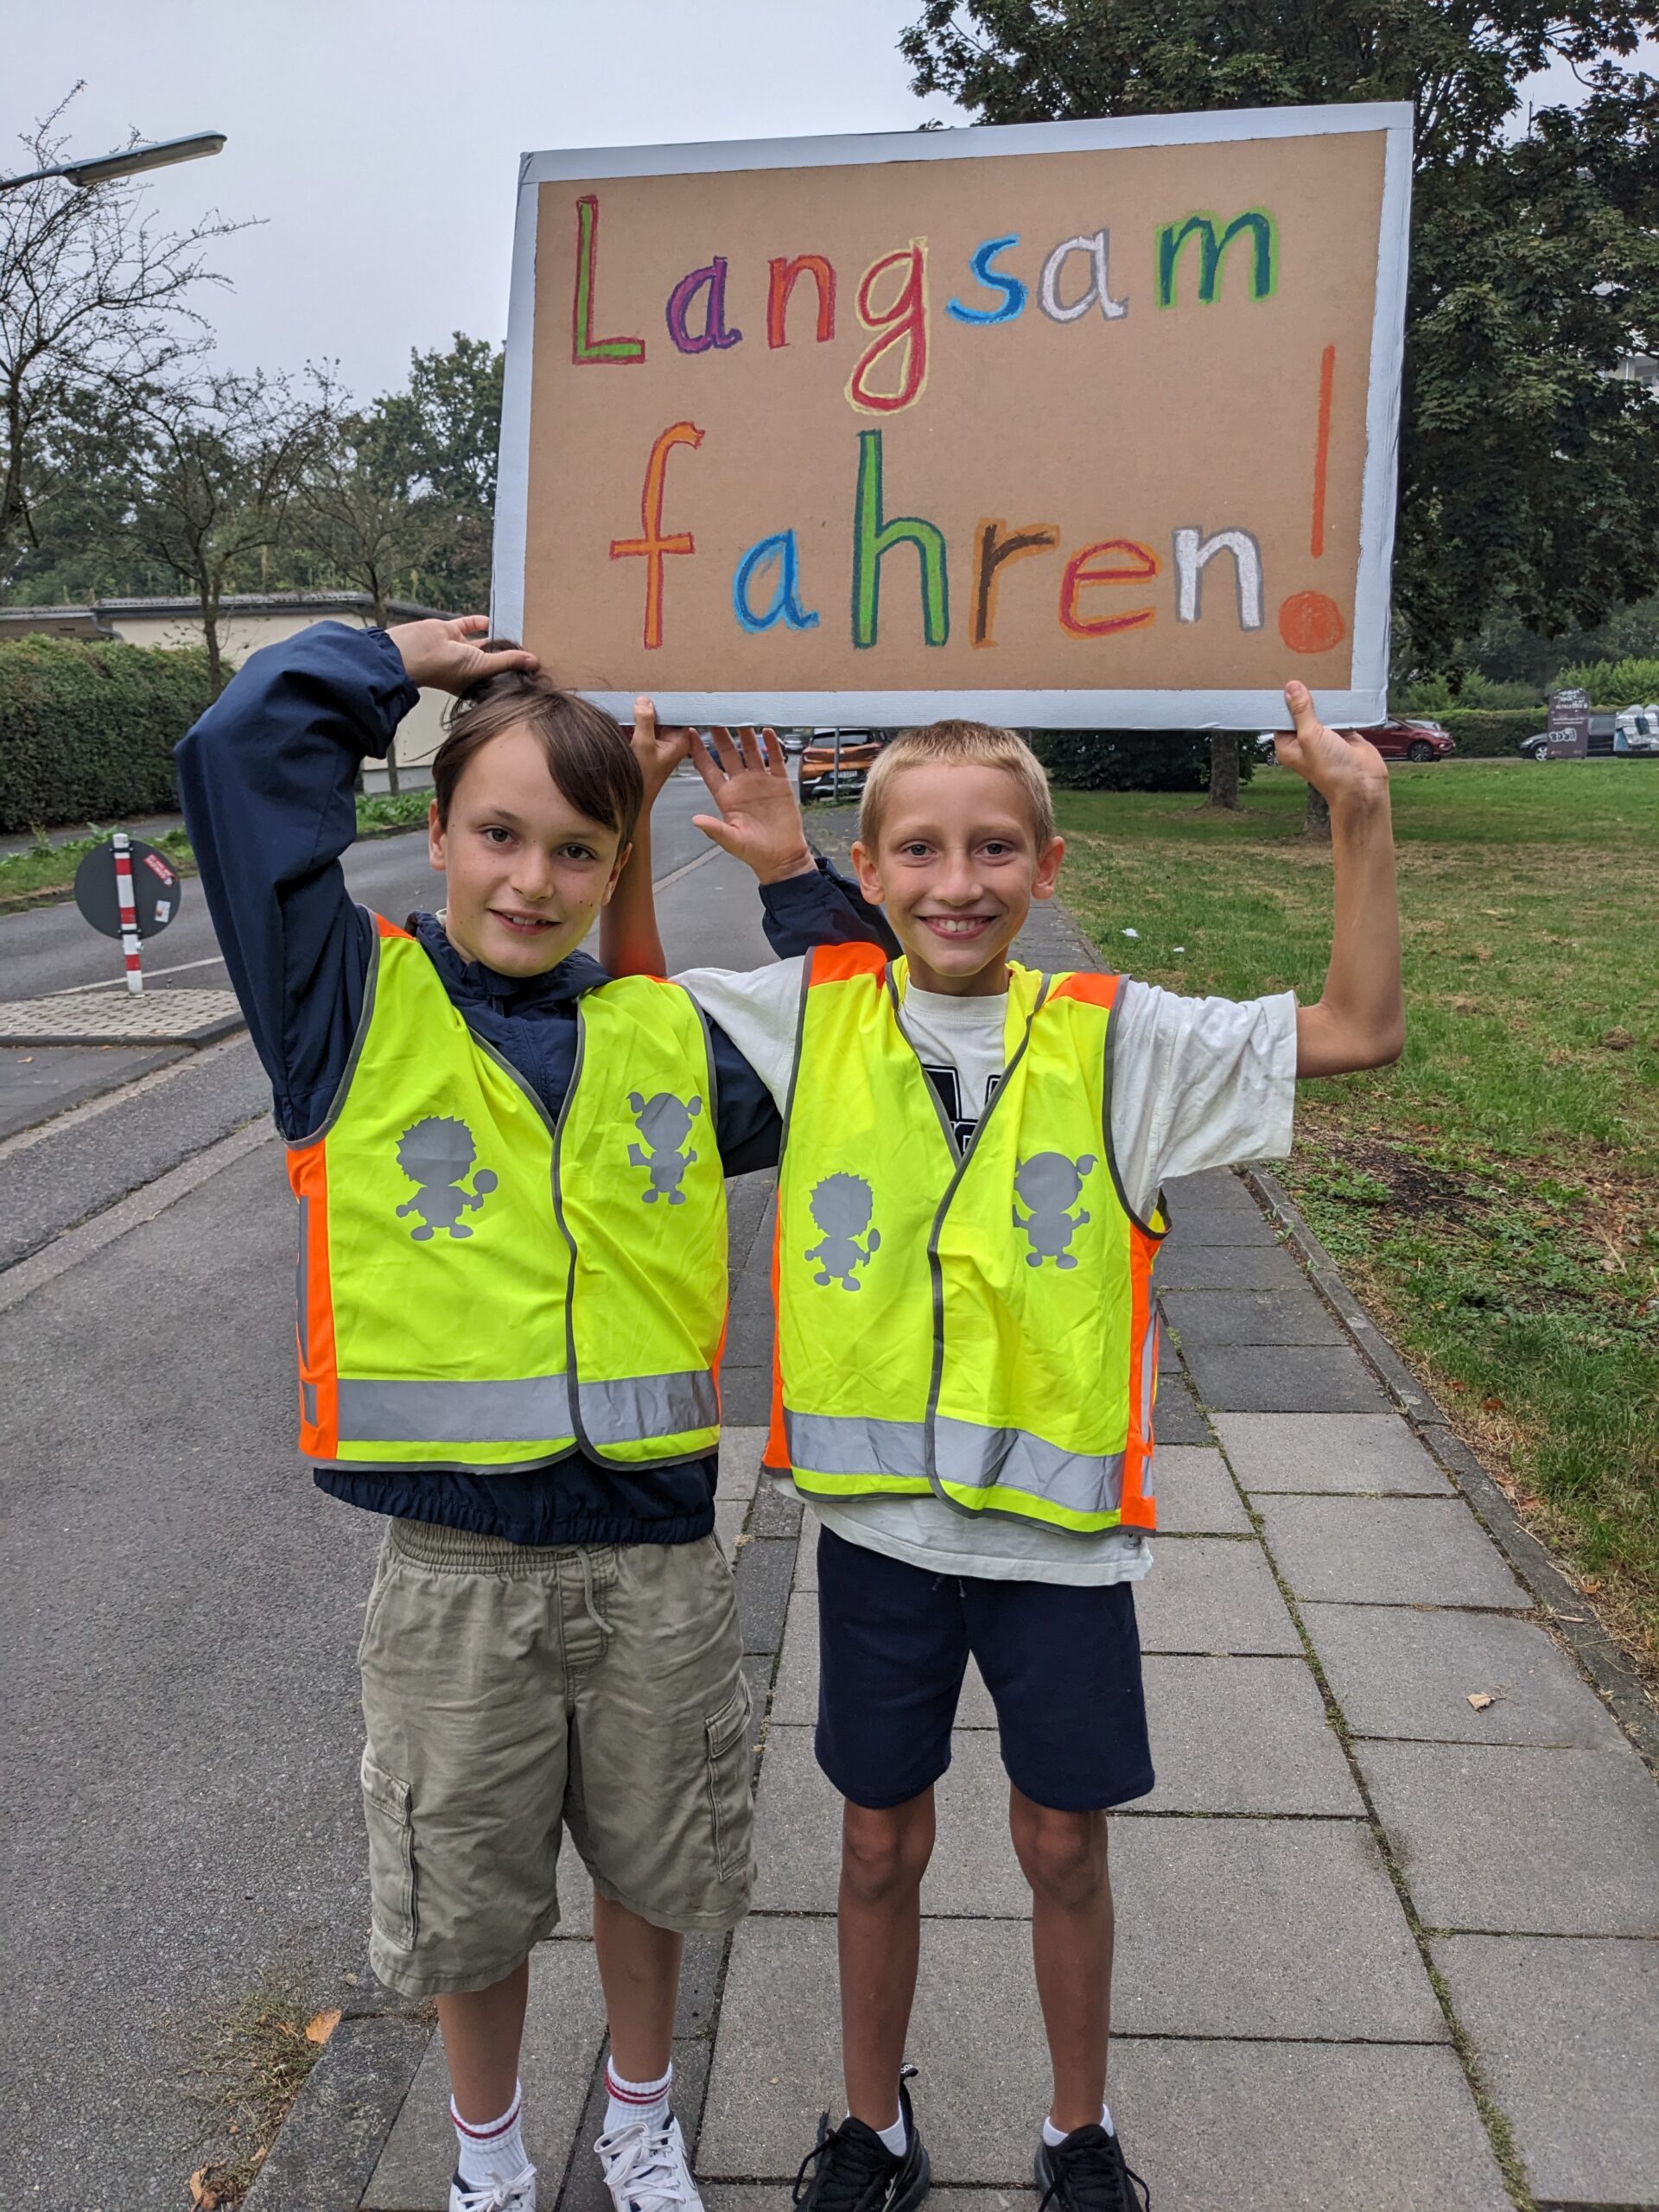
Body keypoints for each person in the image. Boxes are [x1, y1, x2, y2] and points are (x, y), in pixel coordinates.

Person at [607, 686, 1404, 2212]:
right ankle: (869, 2129)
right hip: (882, 1547)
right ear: (871, 864)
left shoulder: (1122, 1042)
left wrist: (1358, 819)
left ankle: (1075, 2134)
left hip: (1057, 1552)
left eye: (990, 849)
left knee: (1062, 1849)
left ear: (1047, 865)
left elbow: (1361, 1028)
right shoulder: (820, 1011)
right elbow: (637, 1022)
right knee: (874, 1848)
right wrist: (638, 828)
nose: (955, 881)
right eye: (918, 850)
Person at [176, 617, 836, 2212]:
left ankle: (638, 2117)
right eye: (497, 834)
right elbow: (240, 762)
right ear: (436, 833)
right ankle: (483, 2158)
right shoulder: (348, 1010)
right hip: (455, 1572)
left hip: (659, 1562)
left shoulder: (668, 1034)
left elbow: (880, 1037)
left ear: (618, 865)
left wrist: (796, 875)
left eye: (574, 849)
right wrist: (391, 656)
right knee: (466, 1904)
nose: (530, 879)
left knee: (656, 1869)